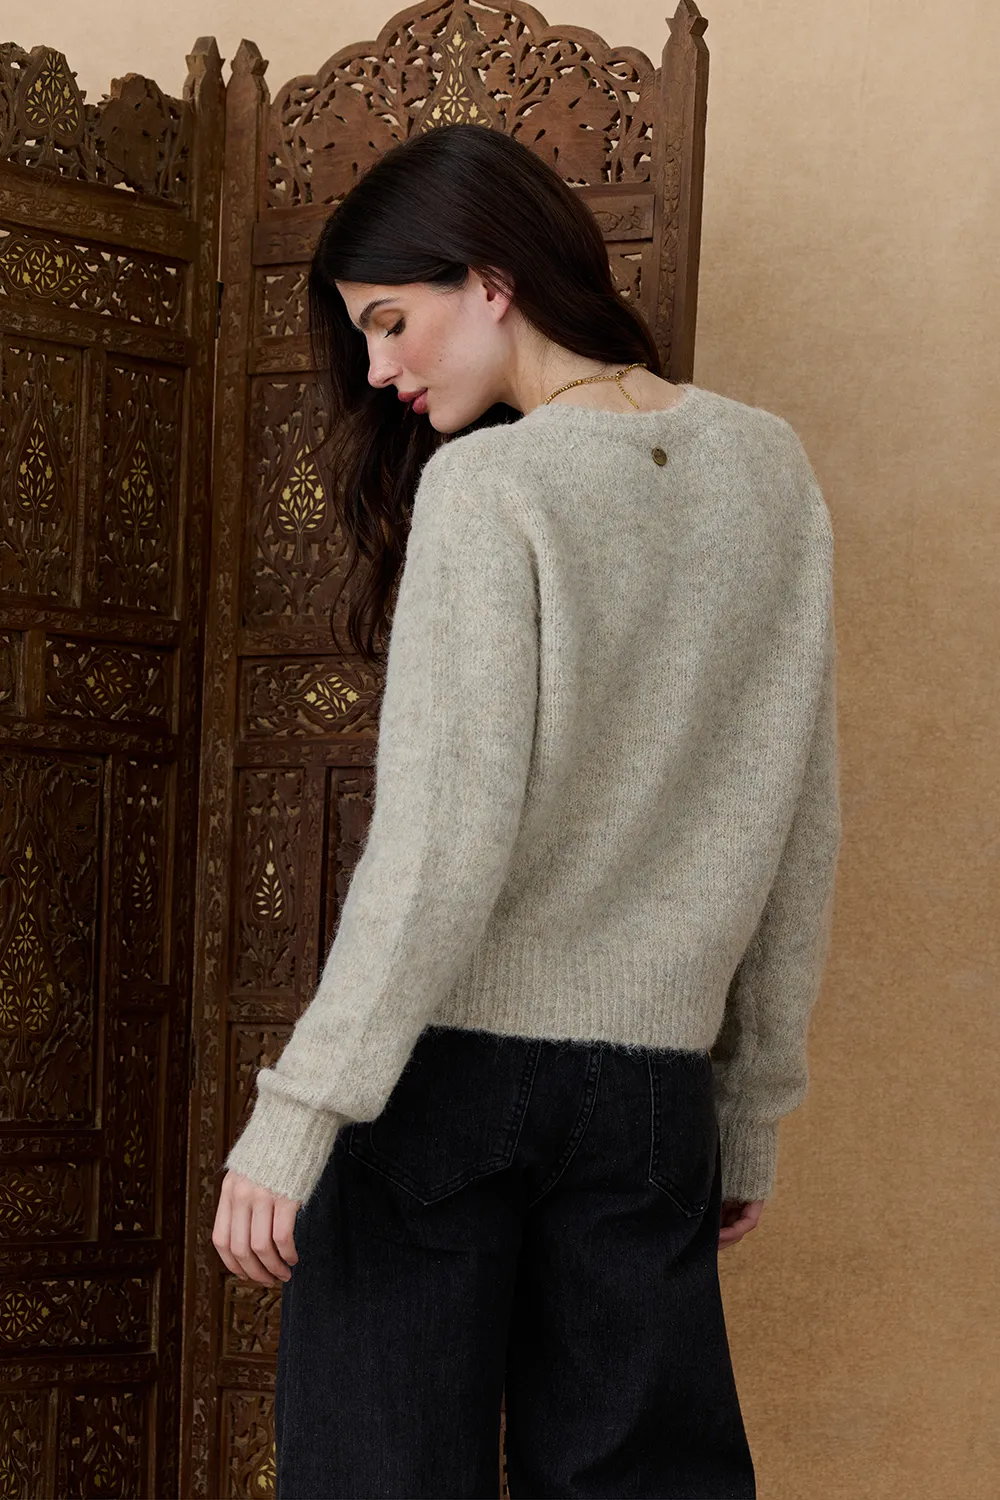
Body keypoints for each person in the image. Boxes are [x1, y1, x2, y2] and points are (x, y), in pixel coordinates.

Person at [212, 123, 842, 1498]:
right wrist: (747, 1110)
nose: (378, 370)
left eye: (391, 320)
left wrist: (298, 1115)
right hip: (652, 1098)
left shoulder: (492, 486)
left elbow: (439, 845)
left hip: (446, 1082)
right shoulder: (770, 469)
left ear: (490, 280)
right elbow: (799, 824)